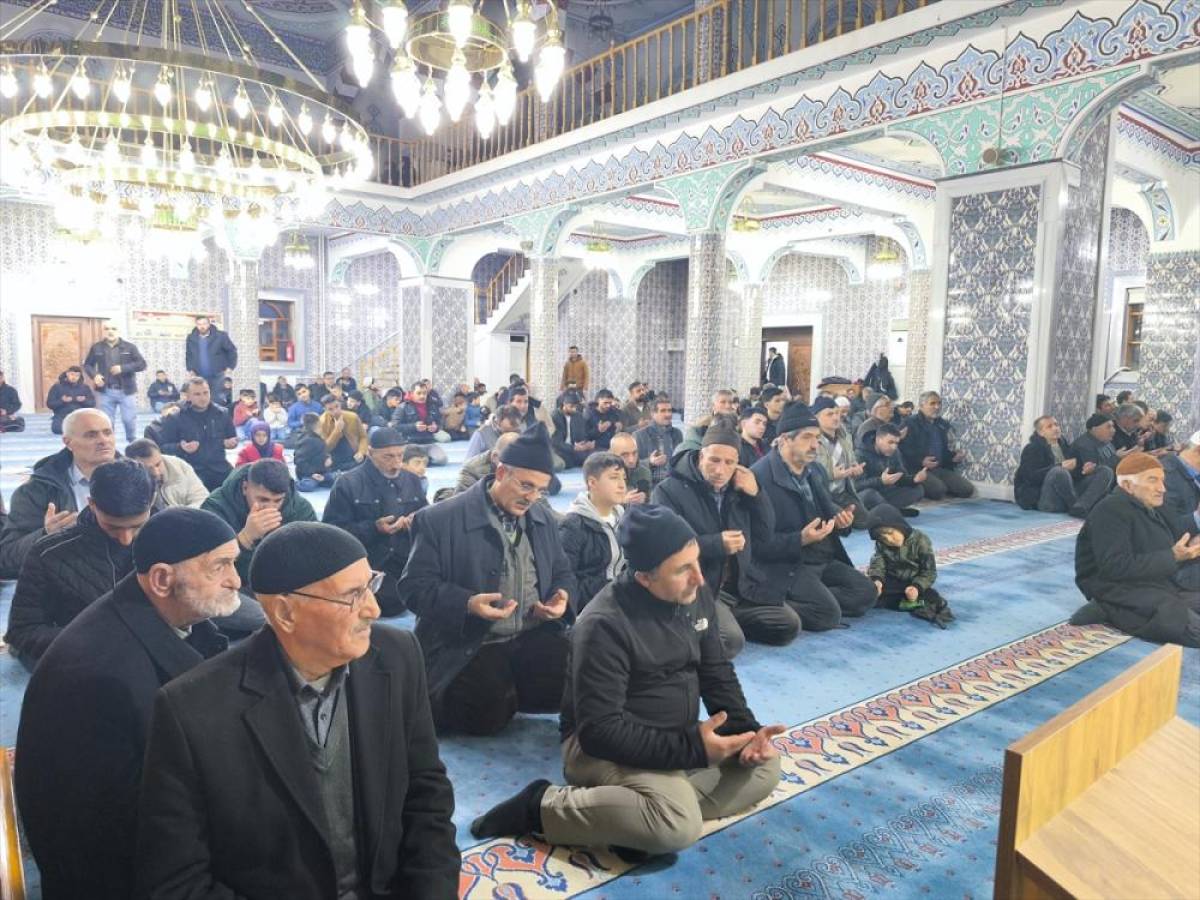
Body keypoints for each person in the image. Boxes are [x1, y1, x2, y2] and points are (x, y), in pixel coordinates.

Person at [136, 522, 461, 899]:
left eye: (370, 585)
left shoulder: (397, 655)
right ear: (286, 613)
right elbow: (179, 879)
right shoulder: (192, 710)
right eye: (352, 595)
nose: (373, 609)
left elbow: (426, 789)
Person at [471, 504, 785, 857]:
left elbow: (717, 674)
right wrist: (694, 751)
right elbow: (600, 732)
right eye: (683, 569)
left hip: (673, 737)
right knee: (677, 826)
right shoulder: (603, 624)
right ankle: (539, 806)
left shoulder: (694, 596)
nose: (699, 578)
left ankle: (631, 817)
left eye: (696, 561)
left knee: (766, 766)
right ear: (644, 577)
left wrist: (747, 732)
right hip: (604, 748)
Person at [15, 508, 238, 900]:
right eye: (219, 567)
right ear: (162, 579)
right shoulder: (100, 678)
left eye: (233, 563)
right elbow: (109, 830)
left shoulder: (160, 617)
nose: (235, 580)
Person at [398, 424, 574, 736]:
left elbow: (562, 571)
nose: (532, 497)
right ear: (501, 472)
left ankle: (513, 686)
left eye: (540, 490)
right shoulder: (439, 519)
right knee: (486, 715)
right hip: (471, 641)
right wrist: (466, 603)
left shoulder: (542, 517)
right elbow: (414, 588)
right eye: (526, 486)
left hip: (531, 632)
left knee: (579, 677)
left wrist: (561, 596)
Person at [654, 421, 804, 652]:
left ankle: (720, 619)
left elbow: (765, 534)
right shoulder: (668, 490)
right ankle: (699, 622)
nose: (720, 470)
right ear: (701, 456)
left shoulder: (739, 486)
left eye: (729, 463)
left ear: (737, 463)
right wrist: (716, 544)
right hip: (699, 585)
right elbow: (666, 548)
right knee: (730, 642)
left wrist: (756, 495)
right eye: (714, 460)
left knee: (788, 626)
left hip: (739, 585)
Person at [5, 458, 153, 671]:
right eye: (113, 527)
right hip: (83, 666)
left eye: (137, 526)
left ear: (152, 501)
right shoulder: (49, 553)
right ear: (91, 504)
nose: (126, 539)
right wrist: (92, 642)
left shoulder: (171, 541)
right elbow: (22, 631)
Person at [751, 403, 878, 631]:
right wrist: (800, 539)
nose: (814, 445)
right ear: (785, 439)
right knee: (827, 615)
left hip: (820, 556)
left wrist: (841, 521)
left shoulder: (815, 471)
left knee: (866, 592)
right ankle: (775, 603)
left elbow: (827, 511)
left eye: (817, 438)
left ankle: (812, 598)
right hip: (787, 564)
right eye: (807, 437)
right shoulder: (759, 479)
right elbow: (757, 545)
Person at [1072, 453, 1200, 646]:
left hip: (1151, 581)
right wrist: (1173, 556)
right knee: (1188, 626)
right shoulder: (1109, 510)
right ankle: (1109, 608)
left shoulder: (1151, 506)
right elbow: (1115, 567)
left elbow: (1164, 546)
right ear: (1128, 485)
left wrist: (1188, 551)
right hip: (1116, 587)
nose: (1162, 488)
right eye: (1153, 480)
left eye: (1162, 480)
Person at [322, 428, 428, 617]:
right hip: (370, 561)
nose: (396, 464)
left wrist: (416, 520)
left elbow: (426, 516)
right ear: (370, 453)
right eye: (388, 457)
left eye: (400, 456)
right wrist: (373, 528)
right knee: (392, 602)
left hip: (406, 557)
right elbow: (332, 534)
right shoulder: (348, 483)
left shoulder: (411, 479)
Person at [0, 408, 117, 577]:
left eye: (107, 432)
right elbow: (7, 557)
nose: (103, 440)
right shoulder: (37, 490)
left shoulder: (139, 480)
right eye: (91, 435)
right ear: (68, 442)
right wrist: (46, 535)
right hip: (64, 586)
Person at [202, 459, 316, 593]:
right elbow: (208, 570)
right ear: (245, 488)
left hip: (286, 586)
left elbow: (312, 561)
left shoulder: (300, 509)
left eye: (278, 500)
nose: (271, 508)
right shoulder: (215, 509)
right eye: (263, 499)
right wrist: (246, 538)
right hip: (234, 588)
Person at [559, 452, 629, 611]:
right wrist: (611, 589)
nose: (622, 485)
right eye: (614, 478)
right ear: (592, 483)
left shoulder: (623, 517)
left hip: (618, 599)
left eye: (624, 478)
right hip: (591, 609)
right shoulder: (572, 526)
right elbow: (565, 581)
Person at [866, 505, 954, 628]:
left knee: (931, 597)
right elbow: (878, 563)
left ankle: (911, 603)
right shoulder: (881, 544)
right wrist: (877, 580)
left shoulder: (920, 541)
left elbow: (929, 572)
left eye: (890, 533)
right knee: (869, 592)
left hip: (913, 582)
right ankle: (909, 604)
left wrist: (916, 587)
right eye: (883, 538)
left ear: (900, 526)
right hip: (893, 581)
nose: (889, 540)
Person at [1014, 415, 1114, 517]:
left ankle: (1081, 507)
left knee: (1105, 471)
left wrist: (1084, 470)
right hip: (1045, 499)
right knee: (1058, 471)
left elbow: (1073, 476)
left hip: (1066, 497)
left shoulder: (1064, 445)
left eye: (1056, 425)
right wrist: (1060, 466)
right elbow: (1030, 477)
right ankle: (1075, 506)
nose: (1055, 428)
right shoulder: (1032, 449)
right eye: (1049, 426)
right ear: (1040, 432)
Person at [813, 396, 882, 528]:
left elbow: (851, 461)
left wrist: (855, 468)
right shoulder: (812, 439)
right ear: (816, 417)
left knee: (866, 522)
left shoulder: (844, 435)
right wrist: (831, 474)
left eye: (837, 413)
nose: (836, 417)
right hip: (822, 494)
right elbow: (809, 472)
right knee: (840, 525)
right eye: (829, 414)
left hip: (842, 492)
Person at [158, 377, 238, 491]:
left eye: (206, 393)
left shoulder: (222, 414)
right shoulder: (175, 418)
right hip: (191, 471)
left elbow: (232, 439)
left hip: (219, 468)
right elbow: (163, 448)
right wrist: (181, 448)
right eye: (197, 394)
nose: (203, 398)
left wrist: (231, 443)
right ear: (187, 396)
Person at [898, 391, 975, 500]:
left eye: (939, 403)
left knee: (967, 489)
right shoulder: (910, 423)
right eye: (932, 404)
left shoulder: (941, 424)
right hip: (917, 469)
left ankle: (939, 485)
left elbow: (943, 450)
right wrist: (921, 461)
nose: (937, 407)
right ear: (921, 406)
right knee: (938, 491)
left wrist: (953, 457)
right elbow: (901, 450)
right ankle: (914, 487)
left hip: (938, 468)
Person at [82, 319, 147, 442]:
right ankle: (109, 444)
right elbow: (88, 365)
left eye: (113, 329)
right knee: (107, 422)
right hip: (106, 391)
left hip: (126, 391)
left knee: (128, 419)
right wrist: (95, 376)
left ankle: (132, 441)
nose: (110, 331)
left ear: (119, 331)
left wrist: (123, 368)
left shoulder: (130, 347)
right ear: (103, 331)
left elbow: (142, 364)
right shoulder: (96, 347)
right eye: (107, 329)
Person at [855, 424, 926, 514]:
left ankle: (891, 511)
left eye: (896, 443)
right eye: (890, 442)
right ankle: (894, 511)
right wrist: (880, 481)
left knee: (918, 489)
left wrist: (914, 479)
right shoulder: (860, 454)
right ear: (878, 440)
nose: (894, 447)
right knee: (869, 495)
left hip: (887, 492)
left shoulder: (895, 452)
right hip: (869, 494)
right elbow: (856, 486)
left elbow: (901, 477)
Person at [1162, 430, 1200, 591]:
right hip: (1180, 569)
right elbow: (1163, 529)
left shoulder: (1191, 473)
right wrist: (1197, 518)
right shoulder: (1164, 476)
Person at [124, 438, 208, 508]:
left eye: (158, 464)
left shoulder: (180, 466)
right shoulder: (126, 482)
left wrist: (182, 516)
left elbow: (202, 499)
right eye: (147, 469)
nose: (156, 473)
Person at [391, 382, 449, 466]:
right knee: (407, 459)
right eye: (419, 393)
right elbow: (394, 426)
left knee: (442, 460)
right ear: (412, 394)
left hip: (428, 442)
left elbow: (439, 423)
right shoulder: (402, 407)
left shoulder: (432, 406)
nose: (422, 396)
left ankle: (422, 460)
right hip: (409, 443)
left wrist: (435, 427)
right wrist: (414, 427)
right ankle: (422, 460)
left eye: (424, 393)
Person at [185, 314, 238, 400]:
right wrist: (190, 369)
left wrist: (230, 366)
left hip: (218, 374)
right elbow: (189, 354)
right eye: (199, 324)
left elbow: (232, 350)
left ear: (209, 324)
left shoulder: (221, 336)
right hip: (198, 374)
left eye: (204, 323)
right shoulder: (191, 338)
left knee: (216, 398)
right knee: (201, 398)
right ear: (196, 325)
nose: (202, 326)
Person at [633, 396, 679, 485]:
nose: (668, 414)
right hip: (649, 485)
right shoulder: (639, 436)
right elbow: (632, 464)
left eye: (669, 410)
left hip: (671, 484)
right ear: (653, 414)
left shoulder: (677, 434)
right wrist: (650, 462)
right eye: (663, 411)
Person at [318, 394, 370, 472]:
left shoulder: (352, 417)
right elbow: (325, 448)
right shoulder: (322, 422)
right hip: (335, 459)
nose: (335, 411)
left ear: (340, 404)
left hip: (354, 455)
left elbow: (363, 437)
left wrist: (361, 452)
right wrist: (337, 430)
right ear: (325, 410)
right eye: (330, 409)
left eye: (337, 406)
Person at [46, 366, 96, 435]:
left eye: (77, 375)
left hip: (80, 416)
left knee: (89, 428)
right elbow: (50, 404)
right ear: (67, 374)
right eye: (72, 374)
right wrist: (62, 401)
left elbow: (92, 403)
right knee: (57, 429)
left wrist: (84, 400)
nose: (74, 377)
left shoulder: (85, 388)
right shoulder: (57, 387)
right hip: (62, 415)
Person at [551, 391, 595, 468]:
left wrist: (586, 444)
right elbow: (556, 442)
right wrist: (573, 448)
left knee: (593, 458)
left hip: (575, 449)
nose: (574, 409)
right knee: (566, 461)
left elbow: (582, 435)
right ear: (564, 404)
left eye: (575, 406)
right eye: (571, 406)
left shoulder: (578, 416)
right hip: (560, 450)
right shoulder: (555, 416)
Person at [609, 432, 652, 502]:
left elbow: (650, 499)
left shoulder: (644, 473)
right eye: (625, 455)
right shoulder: (602, 476)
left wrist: (646, 498)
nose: (631, 460)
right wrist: (622, 502)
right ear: (612, 454)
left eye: (634, 453)